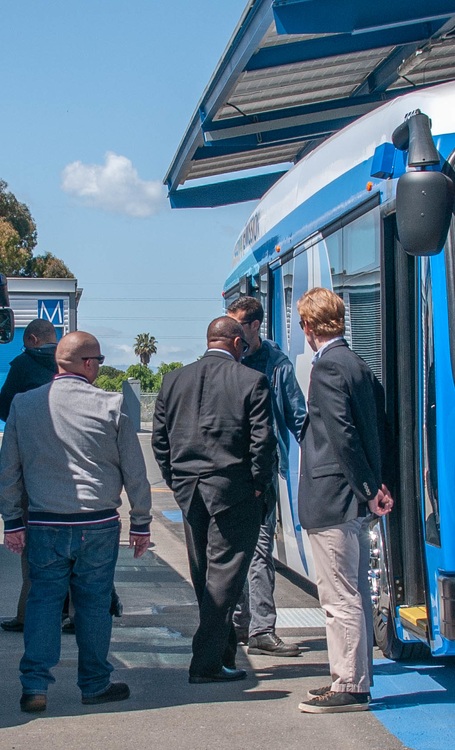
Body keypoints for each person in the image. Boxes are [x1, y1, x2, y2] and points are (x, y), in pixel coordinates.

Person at [0, 330, 151, 714]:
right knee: (94, 606)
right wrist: (142, 523)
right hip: (98, 524)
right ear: (86, 364)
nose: (100, 367)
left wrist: (13, 522)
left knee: (43, 603)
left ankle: (35, 686)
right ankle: (95, 684)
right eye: (98, 361)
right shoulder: (112, 405)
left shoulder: (24, 405)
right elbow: (135, 472)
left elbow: (8, 470)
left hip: (45, 523)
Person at [152, 317, 274, 685]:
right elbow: (263, 443)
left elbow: (161, 441)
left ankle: (222, 656)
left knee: (204, 573)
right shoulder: (252, 381)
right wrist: (258, 485)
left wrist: (176, 480)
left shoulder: (174, 379)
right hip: (234, 491)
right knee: (225, 577)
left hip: (190, 490)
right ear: (237, 343)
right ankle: (205, 663)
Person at [295, 287, 392, 715]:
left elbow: (341, 435)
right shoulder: (357, 364)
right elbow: (378, 428)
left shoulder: (328, 367)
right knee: (353, 591)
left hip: (334, 496)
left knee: (339, 597)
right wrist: (377, 485)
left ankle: (350, 685)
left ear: (308, 327)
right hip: (352, 497)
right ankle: (352, 677)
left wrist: (368, 488)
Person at [227, 294, 307, 658]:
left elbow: (299, 417)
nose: (232, 330)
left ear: (255, 325)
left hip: (261, 471)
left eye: (239, 323)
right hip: (226, 470)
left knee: (259, 547)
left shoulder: (276, 364)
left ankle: (260, 627)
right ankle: (241, 624)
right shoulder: (225, 358)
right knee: (231, 548)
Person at [0, 318, 65, 634]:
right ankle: (76, 613)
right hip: (70, 468)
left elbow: (3, 408)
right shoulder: (71, 363)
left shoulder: (24, 364)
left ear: (34, 339)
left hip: (33, 468)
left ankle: (28, 614)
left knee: (32, 544)